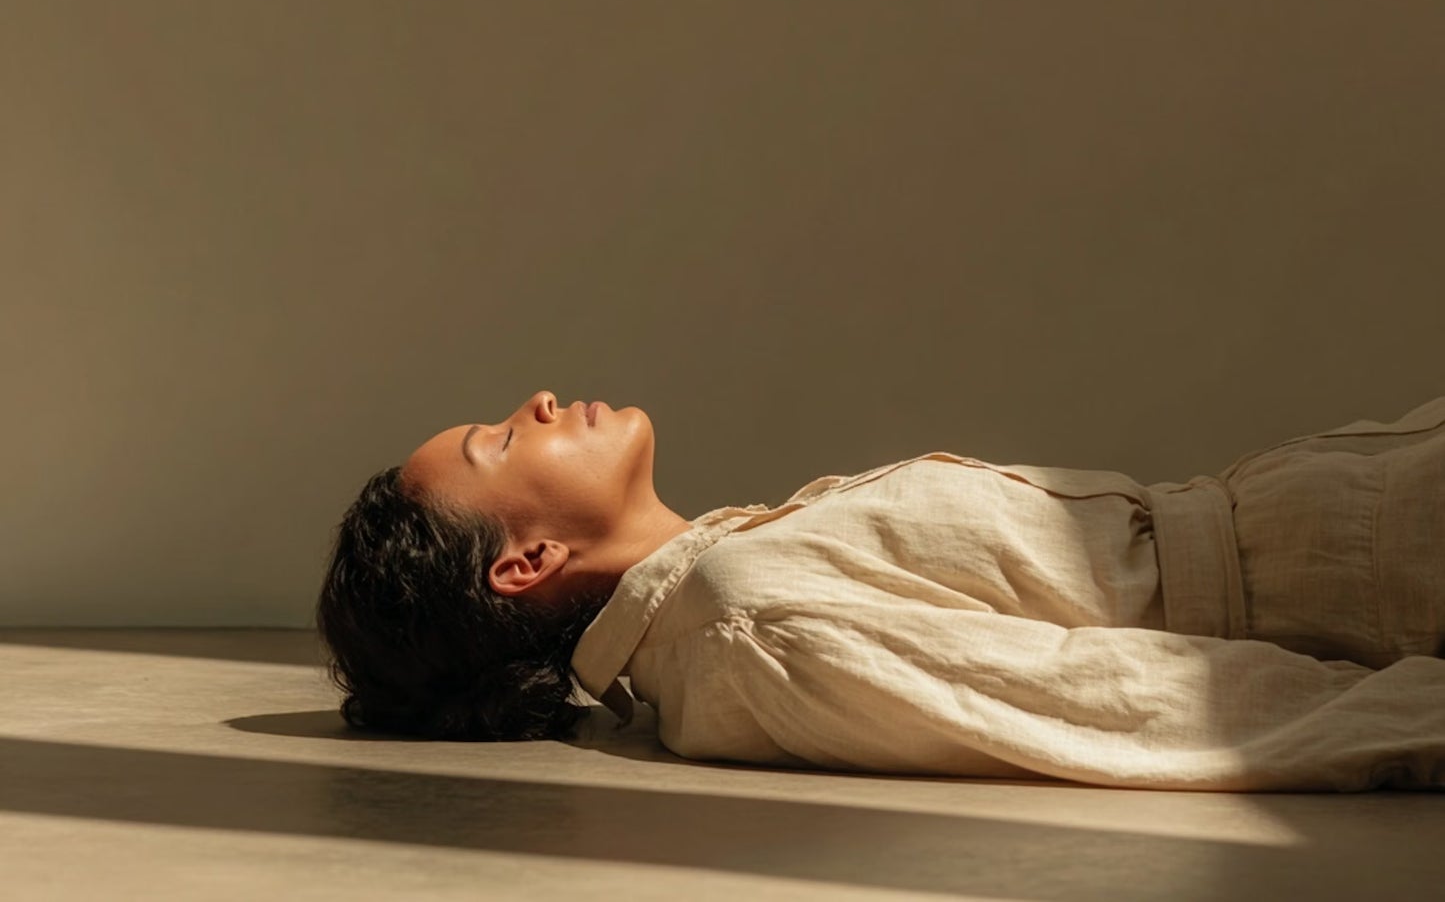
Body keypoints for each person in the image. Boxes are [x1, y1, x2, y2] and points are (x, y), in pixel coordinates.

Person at [315, 390, 1445, 790]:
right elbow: (1105, 699)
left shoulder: (731, 575)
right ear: (524, 563)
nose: (544, 398)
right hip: (1382, 571)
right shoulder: (747, 623)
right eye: (504, 437)